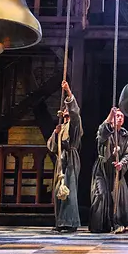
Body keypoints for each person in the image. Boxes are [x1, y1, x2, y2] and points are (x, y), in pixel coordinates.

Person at [89, 107, 128, 234]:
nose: (119, 118)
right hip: (103, 168)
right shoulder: (106, 131)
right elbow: (102, 134)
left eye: (121, 116)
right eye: (117, 116)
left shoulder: (126, 135)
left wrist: (121, 164)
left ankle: (118, 224)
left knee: (121, 196)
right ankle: (99, 225)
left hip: (116, 170)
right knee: (101, 194)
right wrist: (110, 115)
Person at [47, 80, 82, 233]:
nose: (67, 112)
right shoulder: (61, 128)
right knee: (58, 190)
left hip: (71, 158)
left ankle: (70, 222)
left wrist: (68, 92)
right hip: (61, 160)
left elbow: (75, 113)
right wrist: (56, 133)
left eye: (68, 110)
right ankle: (60, 221)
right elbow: (51, 146)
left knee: (69, 189)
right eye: (65, 110)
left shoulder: (75, 125)